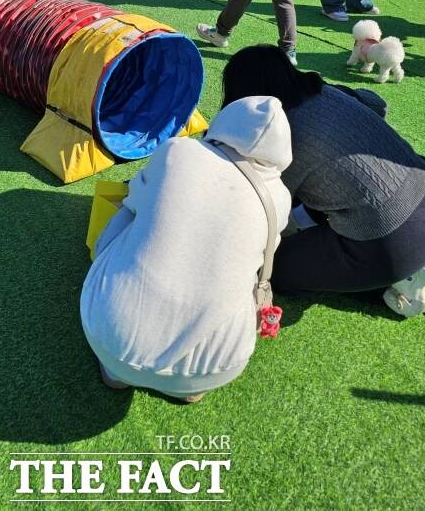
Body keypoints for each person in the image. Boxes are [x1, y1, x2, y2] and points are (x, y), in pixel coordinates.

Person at [80, 95, 292, 402]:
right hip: (219, 363)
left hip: (112, 336)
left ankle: (117, 372)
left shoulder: (178, 151)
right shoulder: (280, 198)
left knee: (129, 213)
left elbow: (131, 204)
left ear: (225, 124)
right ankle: (189, 388)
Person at [221, 45, 425, 317]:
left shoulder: (280, 130)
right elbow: (376, 102)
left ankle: (397, 281)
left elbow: (271, 211)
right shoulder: (326, 91)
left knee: (274, 269)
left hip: (395, 244)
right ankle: (413, 260)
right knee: (322, 195)